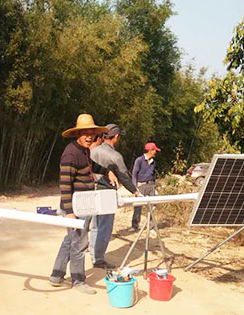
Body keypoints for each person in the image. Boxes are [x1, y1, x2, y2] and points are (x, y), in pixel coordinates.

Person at [48, 114, 118, 295]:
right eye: (85, 133)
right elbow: (64, 184)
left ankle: (56, 276)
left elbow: (91, 167)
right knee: (79, 244)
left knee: (70, 241)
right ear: (77, 134)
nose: (89, 137)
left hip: (84, 205)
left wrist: (107, 172)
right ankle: (79, 280)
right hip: (74, 208)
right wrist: (70, 212)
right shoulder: (70, 153)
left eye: (91, 133)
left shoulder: (84, 151)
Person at [89, 124, 139, 268]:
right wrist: (135, 191)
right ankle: (98, 259)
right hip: (106, 191)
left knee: (95, 225)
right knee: (105, 227)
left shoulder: (93, 150)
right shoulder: (115, 156)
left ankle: (93, 253)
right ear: (116, 137)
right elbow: (124, 177)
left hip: (92, 189)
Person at [131, 142, 161, 230]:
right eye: (155, 150)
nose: (156, 152)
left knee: (151, 206)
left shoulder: (153, 162)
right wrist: (135, 188)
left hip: (151, 185)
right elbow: (134, 174)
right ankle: (135, 225)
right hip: (141, 185)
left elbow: (153, 175)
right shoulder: (139, 160)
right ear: (150, 151)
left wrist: (155, 188)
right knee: (138, 206)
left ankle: (151, 225)